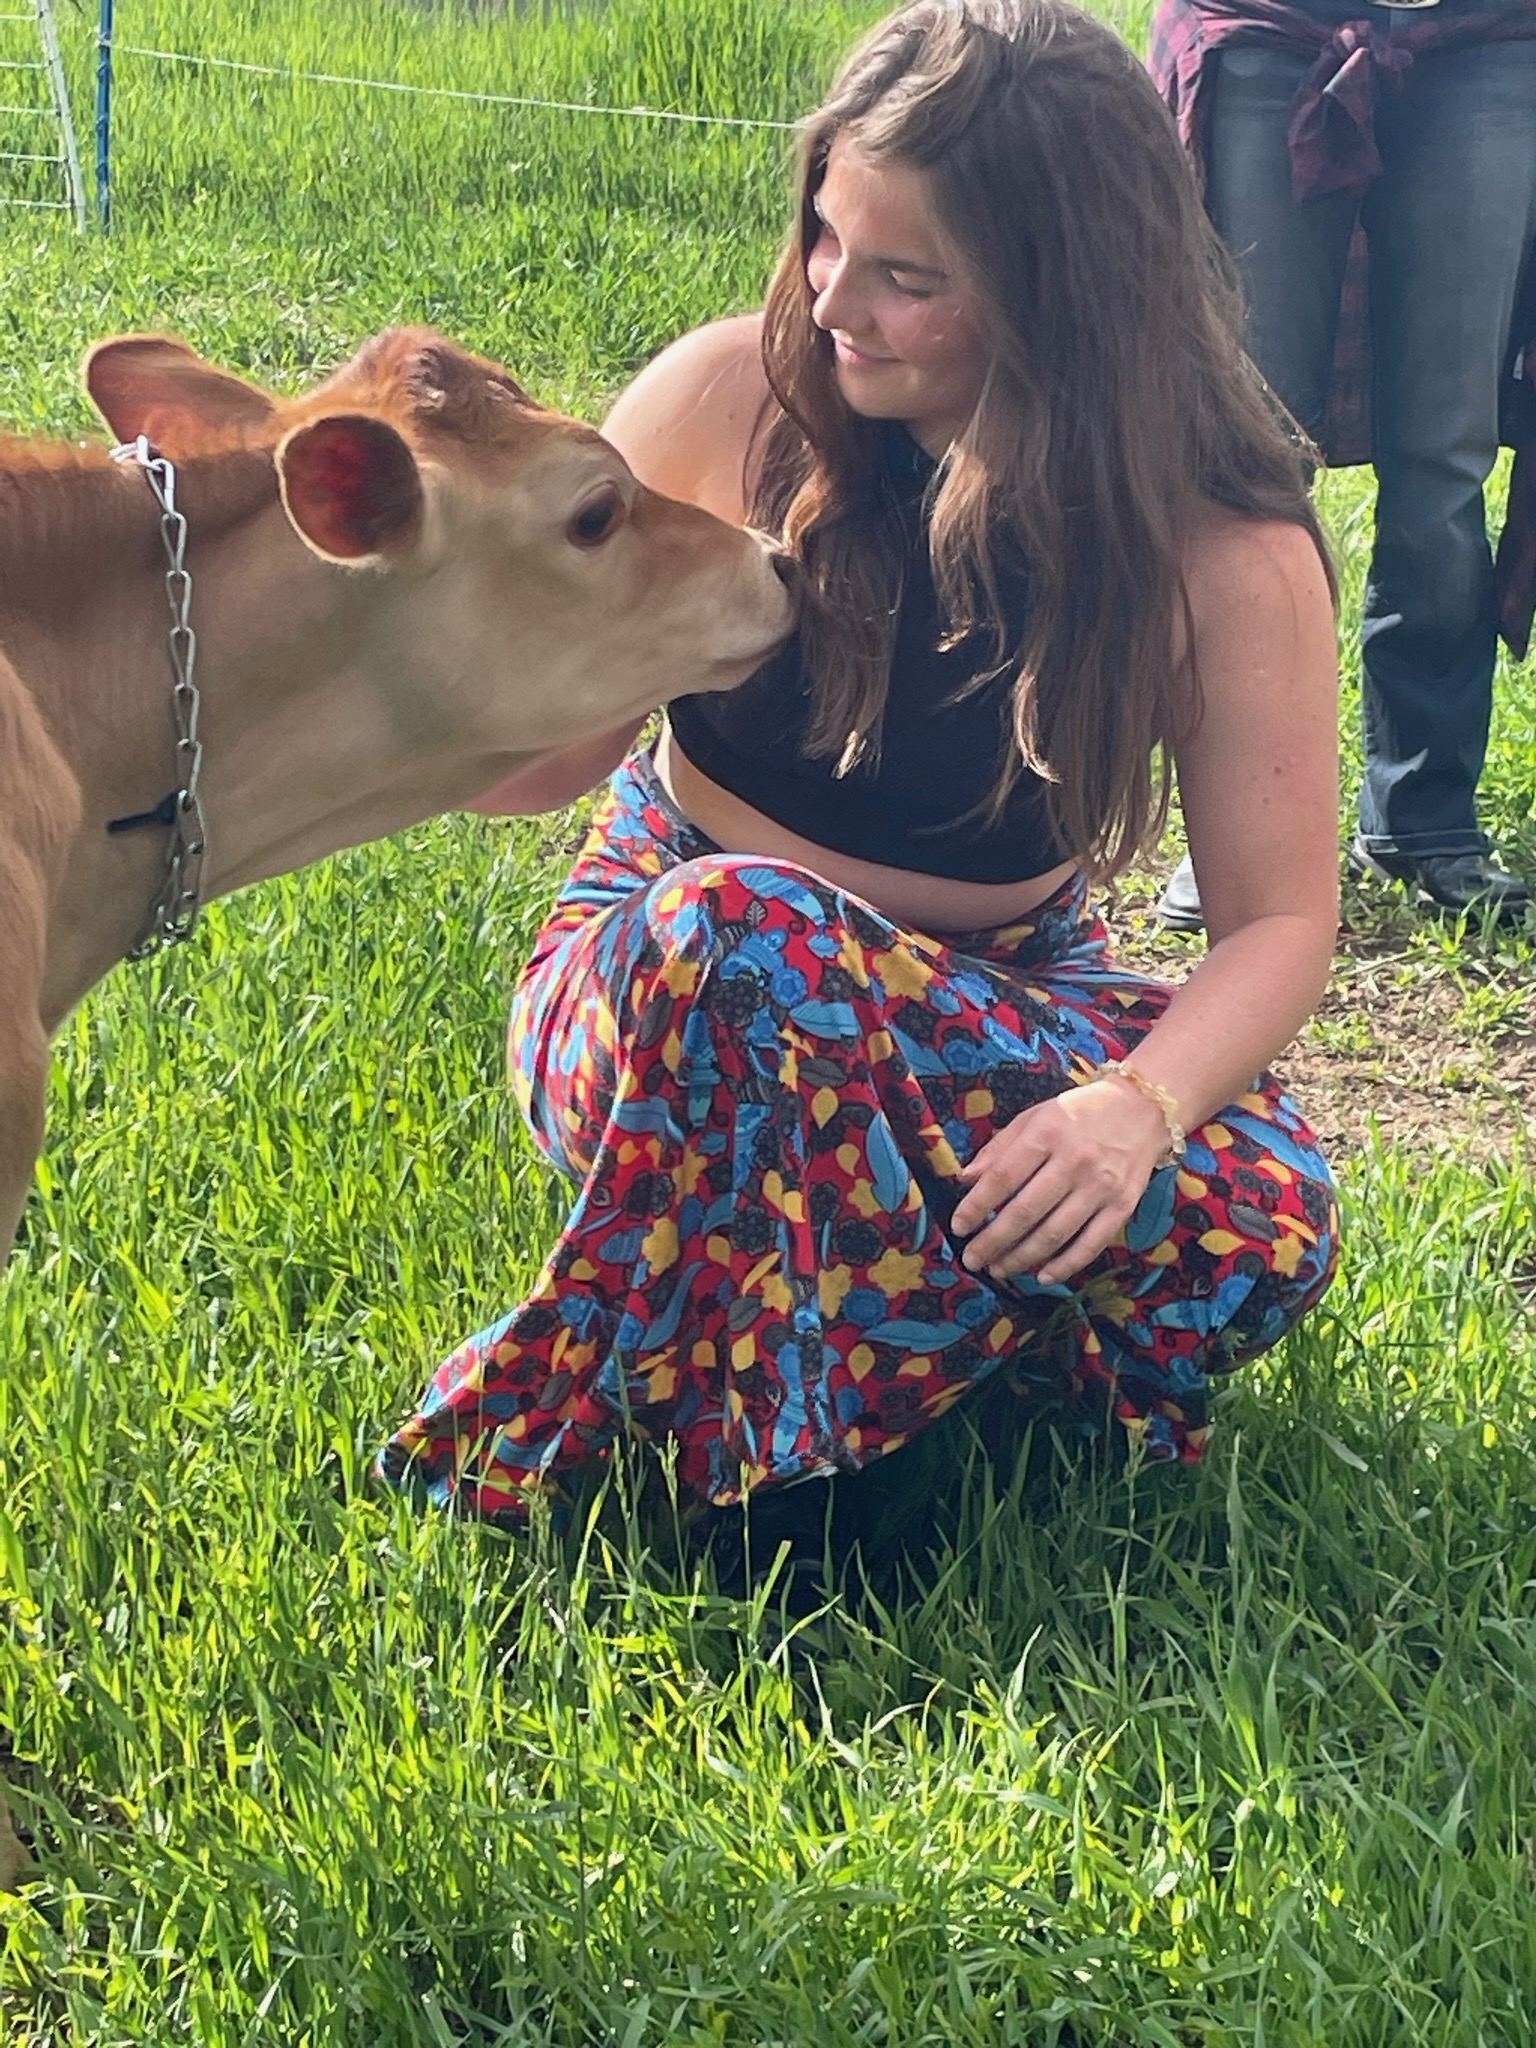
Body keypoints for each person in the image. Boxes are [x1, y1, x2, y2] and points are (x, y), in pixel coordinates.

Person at [377, 0, 1341, 1548]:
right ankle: (799, 1489)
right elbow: (544, 765)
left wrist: (1134, 1108)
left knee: (1266, 1218)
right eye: (826, 237)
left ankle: (810, 1319)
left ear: (1060, 295)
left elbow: (1281, 927)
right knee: (743, 940)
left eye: (908, 277)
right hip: (663, 974)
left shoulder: (1218, 544)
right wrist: (406, 654)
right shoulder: (719, 400)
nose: (835, 299)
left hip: (991, 989)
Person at [1150, 0, 1536, 931]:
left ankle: (1424, 816)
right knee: (1252, 459)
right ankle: (1236, 827)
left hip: (1484, 34)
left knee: (1446, 457)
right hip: (1267, 23)